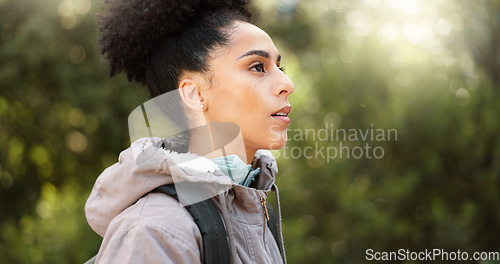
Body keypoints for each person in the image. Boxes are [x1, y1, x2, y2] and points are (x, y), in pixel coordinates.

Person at [85, 0, 295, 263]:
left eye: (280, 67)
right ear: (194, 94)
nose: (287, 83)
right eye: (257, 67)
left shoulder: (258, 213)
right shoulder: (156, 231)